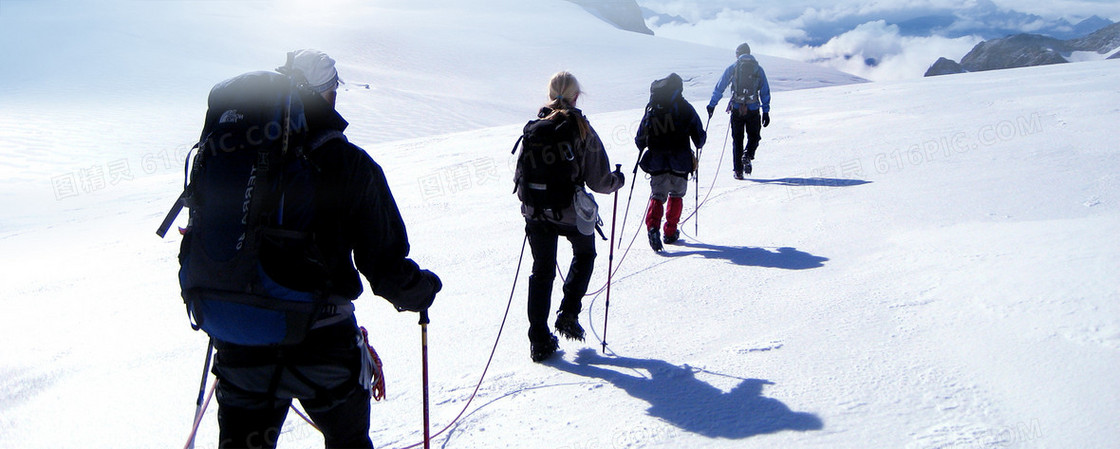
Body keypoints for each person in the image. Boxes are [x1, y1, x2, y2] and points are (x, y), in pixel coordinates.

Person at [209, 49, 442, 449]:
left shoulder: (235, 152)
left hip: (241, 342)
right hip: (322, 344)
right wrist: (421, 291)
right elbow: (383, 265)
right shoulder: (348, 163)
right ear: (326, 93)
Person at [516, 71, 624, 362]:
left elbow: (520, 173)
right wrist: (617, 180)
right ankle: (568, 313)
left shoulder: (535, 126)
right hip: (568, 210)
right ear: (576, 96)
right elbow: (599, 180)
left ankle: (539, 339)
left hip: (536, 211)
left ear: (550, 95)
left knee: (542, 271)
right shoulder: (580, 127)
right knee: (585, 253)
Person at [635, 73, 706, 251]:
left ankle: (653, 227)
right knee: (676, 195)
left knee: (657, 196)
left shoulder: (653, 108)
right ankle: (670, 232)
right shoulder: (684, 108)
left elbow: (639, 139)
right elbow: (699, 138)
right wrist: (699, 141)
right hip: (680, 161)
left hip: (657, 161)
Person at [707, 42, 771, 179]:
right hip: (753, 108)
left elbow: (720, 86)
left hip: (737, 108)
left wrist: (712, 105)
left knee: (737, 139)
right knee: (754, 136)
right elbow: (765, 90)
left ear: (738, 54)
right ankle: (747, 155)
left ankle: (738, 171)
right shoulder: (758, 69)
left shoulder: (734, 68)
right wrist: (766, 111)